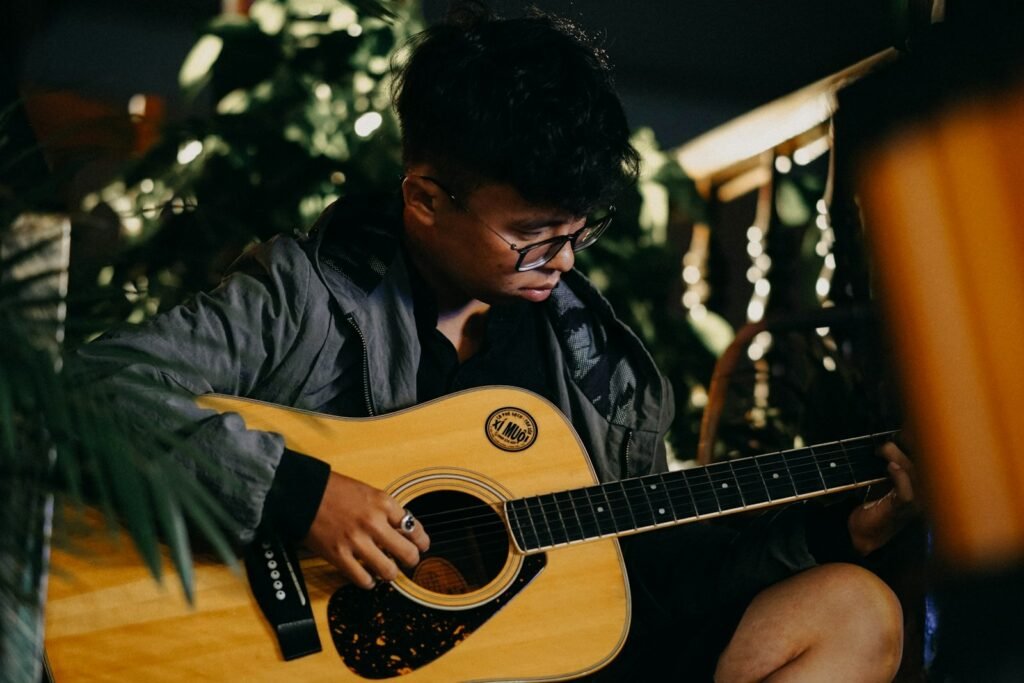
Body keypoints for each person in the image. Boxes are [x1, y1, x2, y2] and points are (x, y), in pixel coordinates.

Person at [74, 3, 919, 680]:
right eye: (532, 235)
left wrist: (828, 535)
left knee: (855, 606)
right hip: (344, 657)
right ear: (426, 199)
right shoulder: (302, 294)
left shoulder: (598, 370)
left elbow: (646, 581)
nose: (563, 260)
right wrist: (304, 494)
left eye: (578, 231)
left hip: (556, 664)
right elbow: (98, 391)